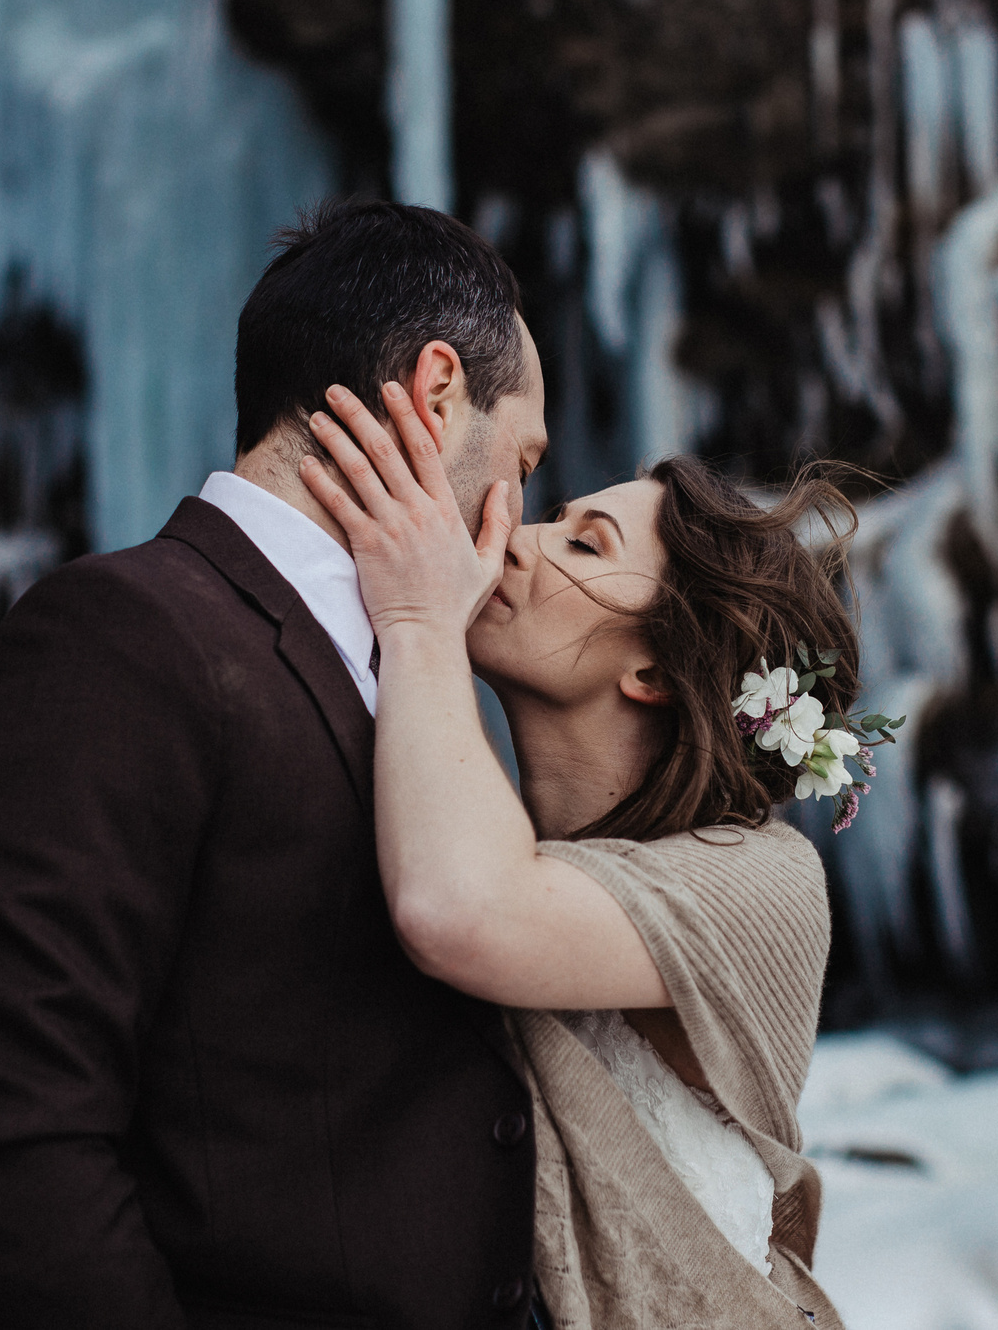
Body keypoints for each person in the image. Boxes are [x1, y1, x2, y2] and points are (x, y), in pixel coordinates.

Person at [0, 203, 553, 1330]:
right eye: (525, 458)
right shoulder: (117, 632)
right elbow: (10, 1140)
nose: (521, 514)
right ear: (437, 392)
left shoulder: (422, 662)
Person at [298, 380, 874, 1330]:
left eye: (584, 543)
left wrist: (416, 622)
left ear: (652, 669)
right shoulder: (458, 817)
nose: (515, 536)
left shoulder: (766, 879)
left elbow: (463, 911)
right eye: (555, 514)